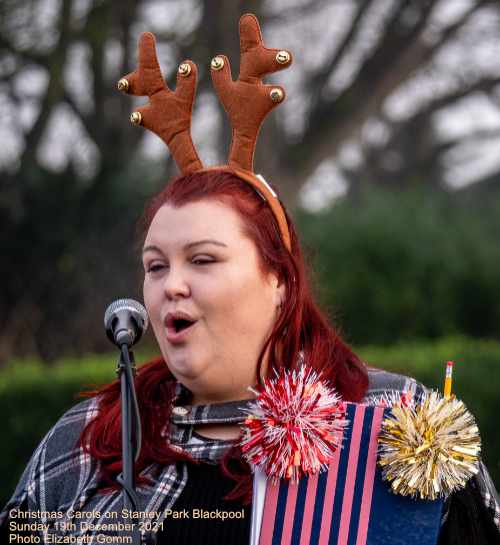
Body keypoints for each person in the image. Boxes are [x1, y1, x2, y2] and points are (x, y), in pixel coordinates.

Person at [1, 13, 499, 545]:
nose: (171, 284)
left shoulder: (398, 428)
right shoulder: (84, 442)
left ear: (279, 281)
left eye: (204, 260)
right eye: (155, 265)